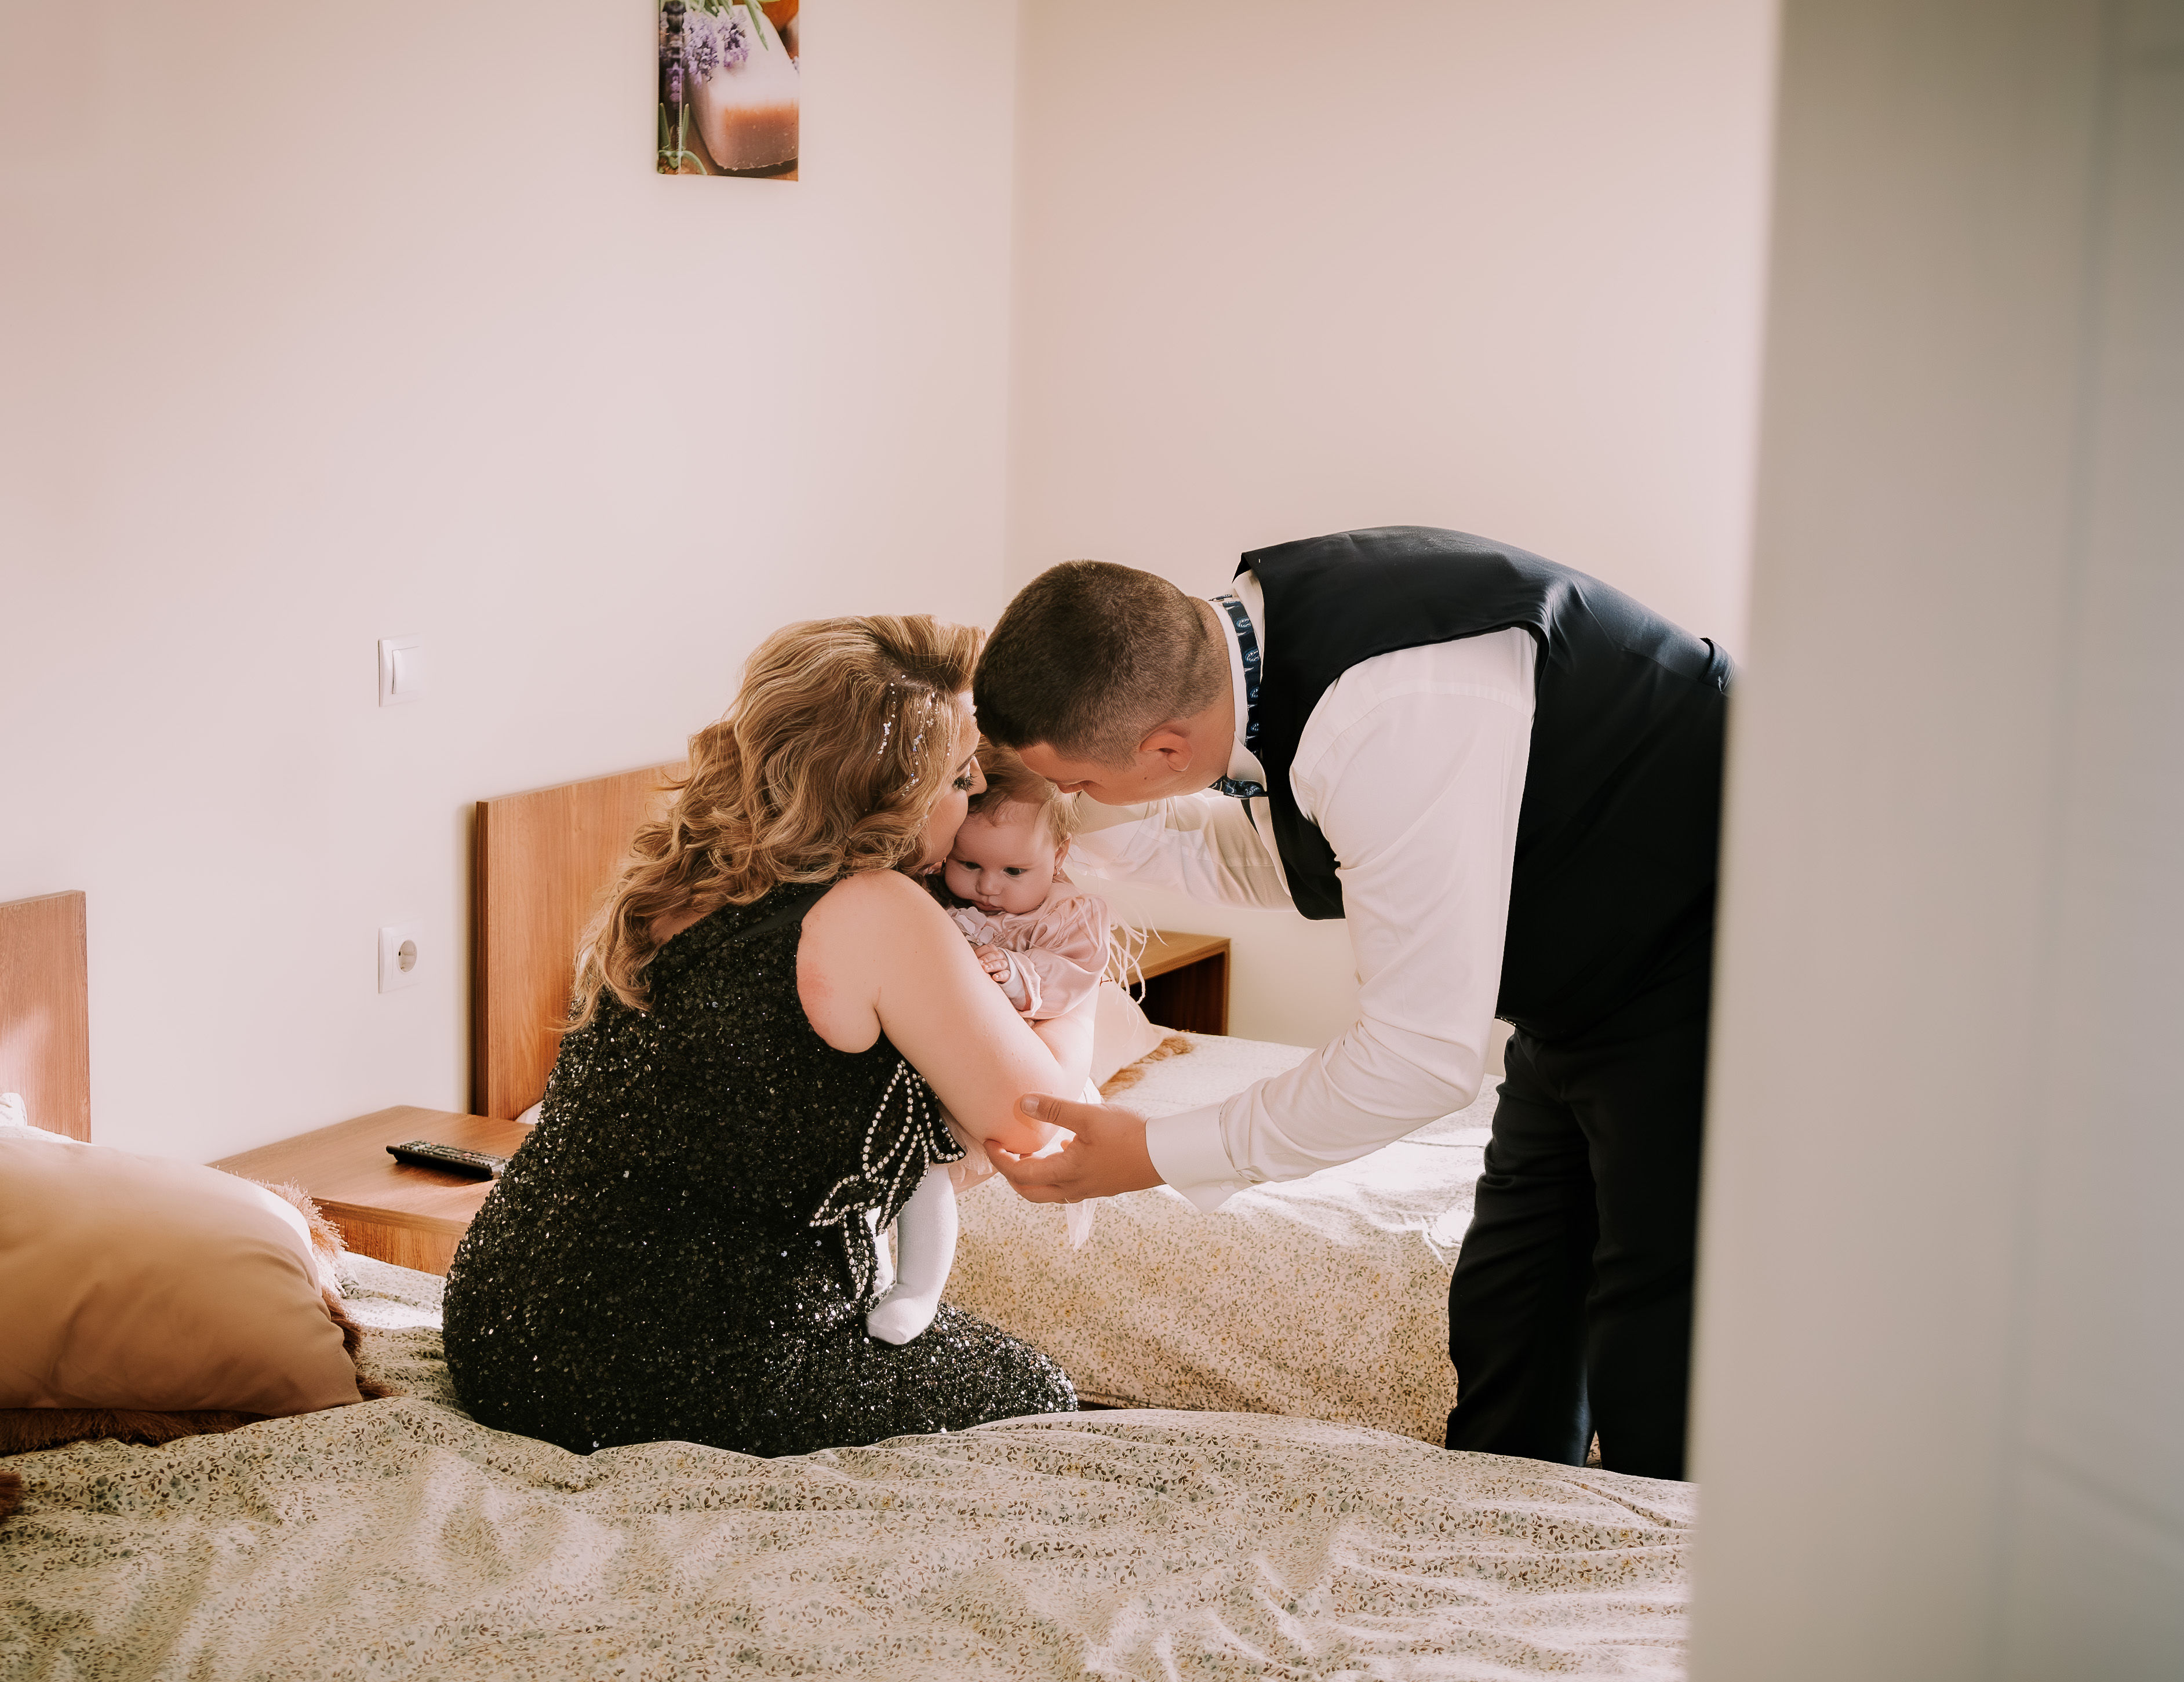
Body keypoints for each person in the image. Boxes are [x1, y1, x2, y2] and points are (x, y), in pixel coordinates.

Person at [971, 527, 1729, 1480]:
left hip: (1716, 960)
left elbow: (1415, 1059)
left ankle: (1667, 1564)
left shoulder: (1387, 718)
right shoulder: (1260, 649)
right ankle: (1495, 1534)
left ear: (1165, 747)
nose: (1070, 801)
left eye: (1078, 783)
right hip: (1580, 987)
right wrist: (1030, 820)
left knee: (1655, 1340)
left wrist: (1156, 1152)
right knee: (1514, 1302)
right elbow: (1278, 856)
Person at [442, 616, 1080, 1456]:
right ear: (894, 790)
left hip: (499, 1333)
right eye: (961, 777)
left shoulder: (670, 878)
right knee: (1042, 1392)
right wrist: (1080, 987)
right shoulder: (876, 909)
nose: (976, 796)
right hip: (692, 1361)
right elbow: (1047, 1121)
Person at [933, 747, 1139, 1088]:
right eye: (969, 864)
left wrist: (1016, 973)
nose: (987, 887)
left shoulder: (1068, 915)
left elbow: (1072, 977)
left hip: (1021, 1063)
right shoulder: (935, 893)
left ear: (1058, 855)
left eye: (1014, 871)